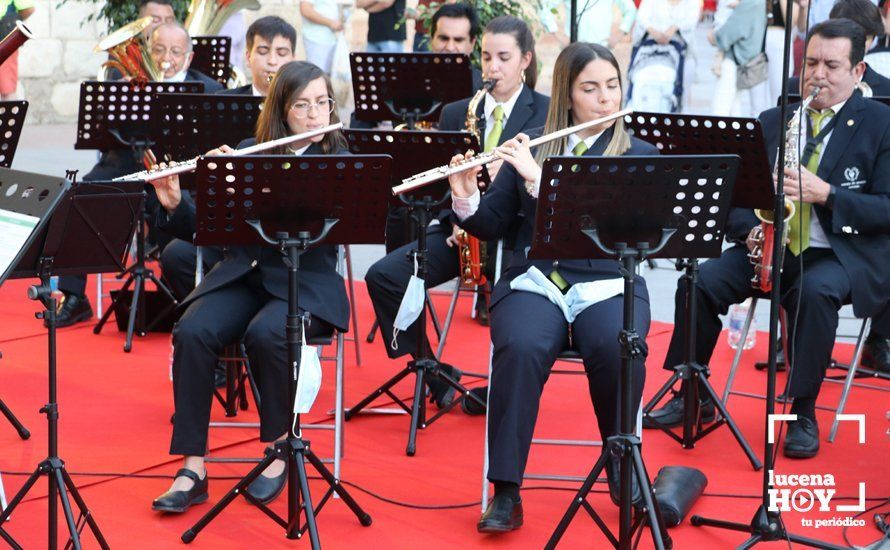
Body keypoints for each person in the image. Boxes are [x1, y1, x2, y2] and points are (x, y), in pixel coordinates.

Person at [648, 19, 890, 458]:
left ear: (857, 73)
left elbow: (887, 208)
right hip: (769, 246)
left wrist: (828, 195)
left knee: (814, 294)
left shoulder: (882, 123)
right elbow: (733, 201)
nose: (817, 74)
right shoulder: (774, 119)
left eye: (832, 66)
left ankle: (802, 410)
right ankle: (693, 391)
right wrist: (753, 230)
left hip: (837, 253)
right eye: (811, 62)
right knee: (697, 282)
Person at [445, 42, 657, 532]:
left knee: (618, 346)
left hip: (608, 284)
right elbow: (494, 222)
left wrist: (544, 185)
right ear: (567, 95)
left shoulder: (640, 154)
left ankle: (622, 467)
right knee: (518, 346)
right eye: (591, 88)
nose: (606, 99)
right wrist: (466, 198)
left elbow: (610, 231)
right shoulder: (533, 143)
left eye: (612, 86)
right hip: (539, 281)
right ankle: (506, 490)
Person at [151, 61, 350, 513]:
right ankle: (193, 467)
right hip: (247, 274)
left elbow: (355, 229)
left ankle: (281, 447)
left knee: (268, 333)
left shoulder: (342, 159)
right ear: (281, 112)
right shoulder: (248, 151)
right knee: (193, 328)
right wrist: (182, 202)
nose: (316, 114)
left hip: (307, 283)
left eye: (323, 102)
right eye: (303, 105)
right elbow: (216, 233)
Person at [362, 15, 549, 411]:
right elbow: (445, 182)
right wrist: (454, 218)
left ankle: (506, 390)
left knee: (514, 309)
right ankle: (430, 369)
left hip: (516, 239)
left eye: (503, 57)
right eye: (486, 56)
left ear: (525, 60)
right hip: (463, 232)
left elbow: (542, 195)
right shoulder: (457, 112)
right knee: (384, 276)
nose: (492, 67)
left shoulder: (546, 115)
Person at [160, 16, 297, 307]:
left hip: (285, 234)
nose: (272, 62)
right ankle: (220, 326)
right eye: (263, 51)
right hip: (232, 228)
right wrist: (208, 171)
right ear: (248, 56)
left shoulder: (303, 111)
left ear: (293, 58)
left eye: (281, 53)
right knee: (176, 255)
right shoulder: (221, 103)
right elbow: (205, 188)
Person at [631, 0, 702, 112]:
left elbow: (691, 21)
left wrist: (674, 28)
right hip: (650, 50)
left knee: (683, 89)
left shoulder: (691, 2)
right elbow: (641, 17)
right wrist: (654, 32)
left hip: (682, 51)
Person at [709, 0, 771, 118]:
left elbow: (726, 34)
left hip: (733, 61)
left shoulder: (752, 3)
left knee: (720, 110)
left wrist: (713, 37)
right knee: (734, 110)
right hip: (740, 61)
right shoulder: (757, 3)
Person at [148, 22, 224, 92]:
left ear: (189, 58)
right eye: (159, 50)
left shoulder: (210, 89)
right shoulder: (138, 83)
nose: (166, 58)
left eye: (175, 52)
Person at [0, 0, 34, 101]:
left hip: (4, 36)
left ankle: (10, 116)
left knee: (7, 89)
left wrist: (10, 21)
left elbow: (28, 8)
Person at [300, 0, 344, 73]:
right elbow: (305, 10)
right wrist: (331, 23)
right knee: (316, 75)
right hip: (316, 39)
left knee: (324, 77)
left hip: (328, 39)